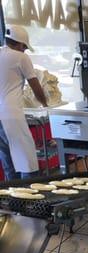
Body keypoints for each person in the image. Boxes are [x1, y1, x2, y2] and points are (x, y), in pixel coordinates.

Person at [0, 25, 48, 180]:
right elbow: (35, 85)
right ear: (20, 44)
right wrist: (45, 104)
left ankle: (12, 199)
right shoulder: (21, 57)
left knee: (8, 160)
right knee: (27, 159)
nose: (25, 51)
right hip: (11, 114)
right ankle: (30, 198)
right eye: (25, 47)